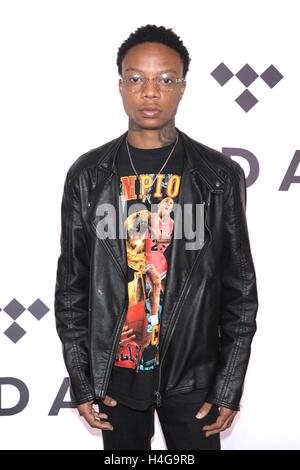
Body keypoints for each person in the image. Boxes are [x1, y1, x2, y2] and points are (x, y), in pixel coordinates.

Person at [54, 24, 258, 450]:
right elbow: (72, 289)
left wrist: (227, 385)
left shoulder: (217, 176)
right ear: (121, 86)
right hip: (116, 377)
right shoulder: (89, 176)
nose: (150, 92)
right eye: (137, 79)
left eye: (165, 79)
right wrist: (83, 377)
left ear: (182, 87)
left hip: (192, 381)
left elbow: (239, 292)